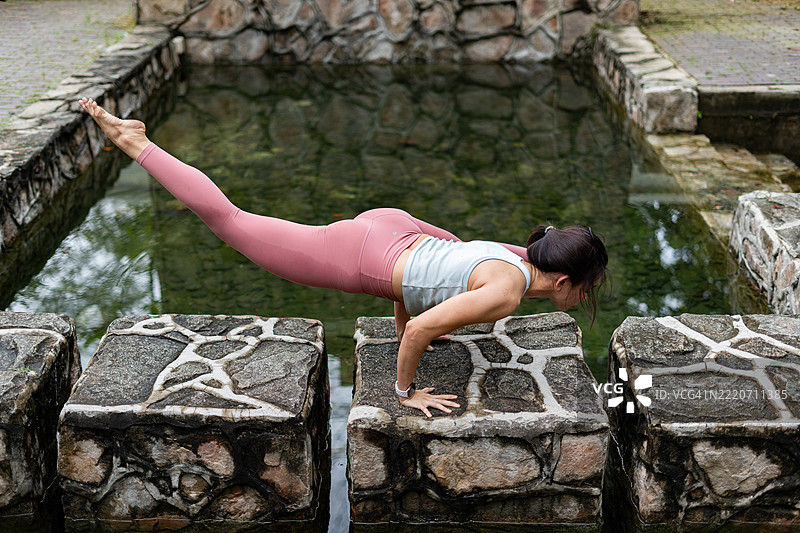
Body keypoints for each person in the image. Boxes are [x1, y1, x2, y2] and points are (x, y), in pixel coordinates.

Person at [78, 97, 608, 418]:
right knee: (231, 221)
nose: (589, 295)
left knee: (434, 260)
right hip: (363, 252)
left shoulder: (521, 256)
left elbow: (436, 268)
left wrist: (417, 319)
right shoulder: (506, 292)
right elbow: (420, 327)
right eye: (590, 286)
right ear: (562, 280)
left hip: (395, 226)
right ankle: (137, 143)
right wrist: (406, 393)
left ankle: (137, 143)